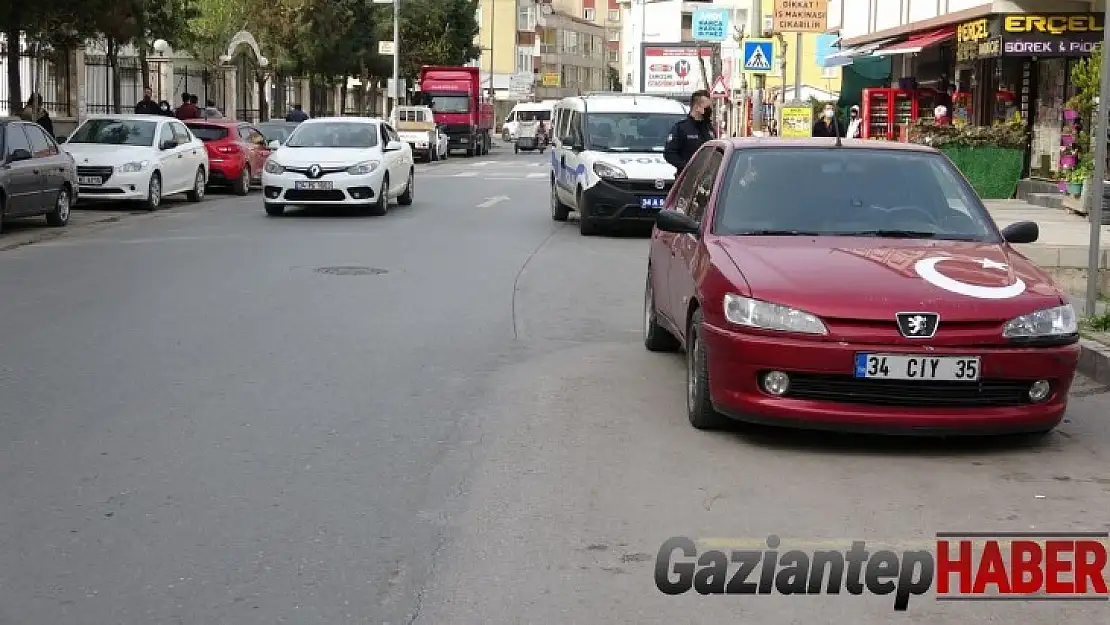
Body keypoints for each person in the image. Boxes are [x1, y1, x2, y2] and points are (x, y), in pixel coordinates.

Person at [664, 89, 714, 174]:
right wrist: (688, 167)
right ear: (697, 107)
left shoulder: (709, 128)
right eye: (707, 107)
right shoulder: (681, 128)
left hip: (707, 179)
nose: (710, 110)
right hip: (687, 179)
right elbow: (669, 154)